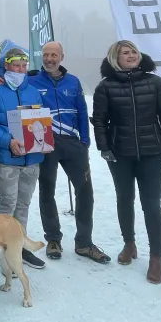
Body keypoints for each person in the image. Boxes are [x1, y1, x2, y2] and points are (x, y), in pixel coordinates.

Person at [91, 40, 161, 285]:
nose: (131, 55)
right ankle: (129, 244)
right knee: (124, 199)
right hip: (120, 154)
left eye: (133, 52)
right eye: (125, 53)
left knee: (152, 205)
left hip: (152, 153)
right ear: (115, 58)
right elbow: (99, 120)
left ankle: (156, 258)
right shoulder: (105, 87)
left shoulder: (155, 83)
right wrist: (104, 147)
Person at [30, 42, 108, 263]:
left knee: (85, 191)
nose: (49, 59)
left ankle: (84, 243)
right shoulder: (32, 80)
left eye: (54, 55)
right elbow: (8, 74)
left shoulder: (73, 81)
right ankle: (53, 239)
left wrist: (84, 141)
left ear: (61, 57)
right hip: (46, 143)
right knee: (47, 191)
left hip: (73, 143)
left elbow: (82, 110)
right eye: (46, 55)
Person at [0, 45, 47, 270]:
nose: (20, 70)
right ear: (6, 66)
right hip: (7, 158)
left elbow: (41, 120)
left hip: (32, 158)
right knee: (8, 204)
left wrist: (44, 140)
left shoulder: (33, 91)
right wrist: (8, 140)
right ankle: (2, 251)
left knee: (23, 204)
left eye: (23, 66)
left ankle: (19, 248)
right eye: (15, 65)